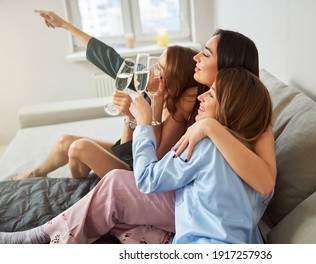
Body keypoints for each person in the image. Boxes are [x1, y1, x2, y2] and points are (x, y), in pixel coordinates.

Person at [0, 24, 276, 244]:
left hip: (201, 206)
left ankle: (44, 239)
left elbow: (264, 183)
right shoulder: (198, 95)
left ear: (227, 64)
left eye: (205, 53)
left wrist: (209, 127)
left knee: (115, 181)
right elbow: (160, 154)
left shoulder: (249, 112)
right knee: (99, 173)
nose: (196, 57)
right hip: (184, 187)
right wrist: (149, 108)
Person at [11, 10, 203, 180]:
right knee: (65, 142)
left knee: (79, 147)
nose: (151, 68)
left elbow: (151, 160)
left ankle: (84, 186)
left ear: (173, 79)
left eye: (159, 67)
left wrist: (156, 103)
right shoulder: (146, 84)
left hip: (138, 169)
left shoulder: (178, 110)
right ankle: (34, 174)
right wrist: (64, 25)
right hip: (130, 154)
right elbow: (108, 57)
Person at [130, 67, 273, 243]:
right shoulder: (256, 160)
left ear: (231, 106)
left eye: (211, 95)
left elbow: (146, 179)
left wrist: (143, 123)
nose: (200, 97)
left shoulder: (203, 145)